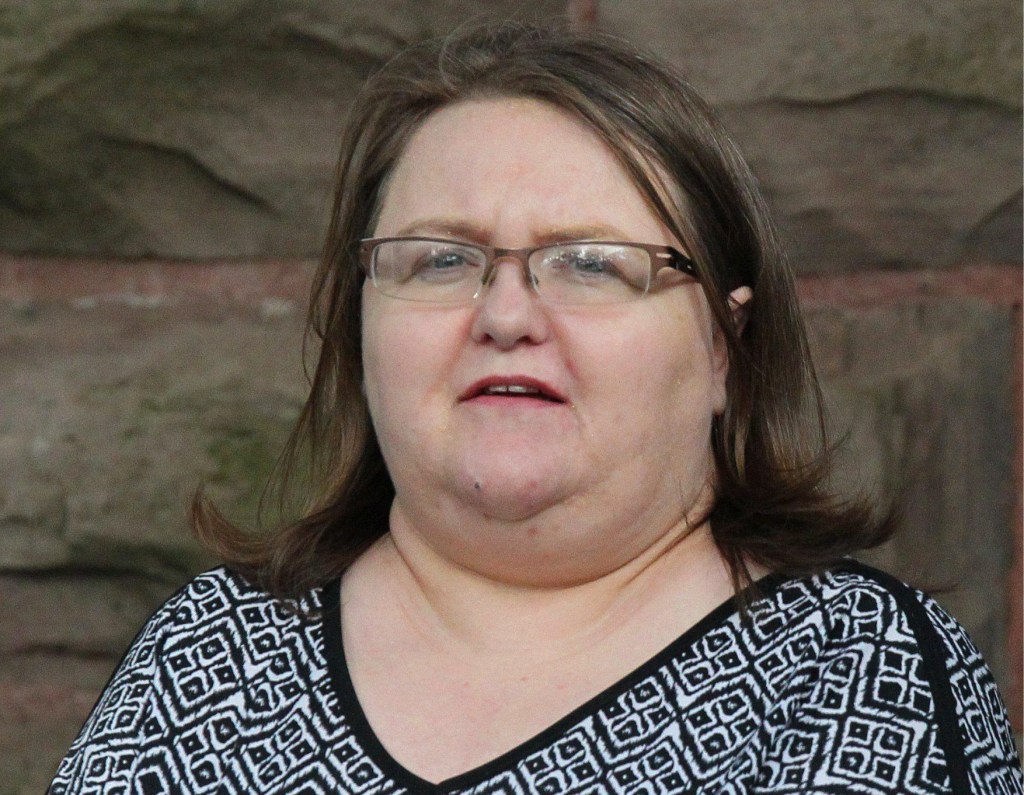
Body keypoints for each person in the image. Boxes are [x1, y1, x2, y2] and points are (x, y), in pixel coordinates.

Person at [50, 22, 1021, 795]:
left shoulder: (849, 677)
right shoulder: (210, 665)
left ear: (724, 349)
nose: (507, 313)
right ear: (358, 328)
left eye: (591, 263)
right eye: (439, 260)